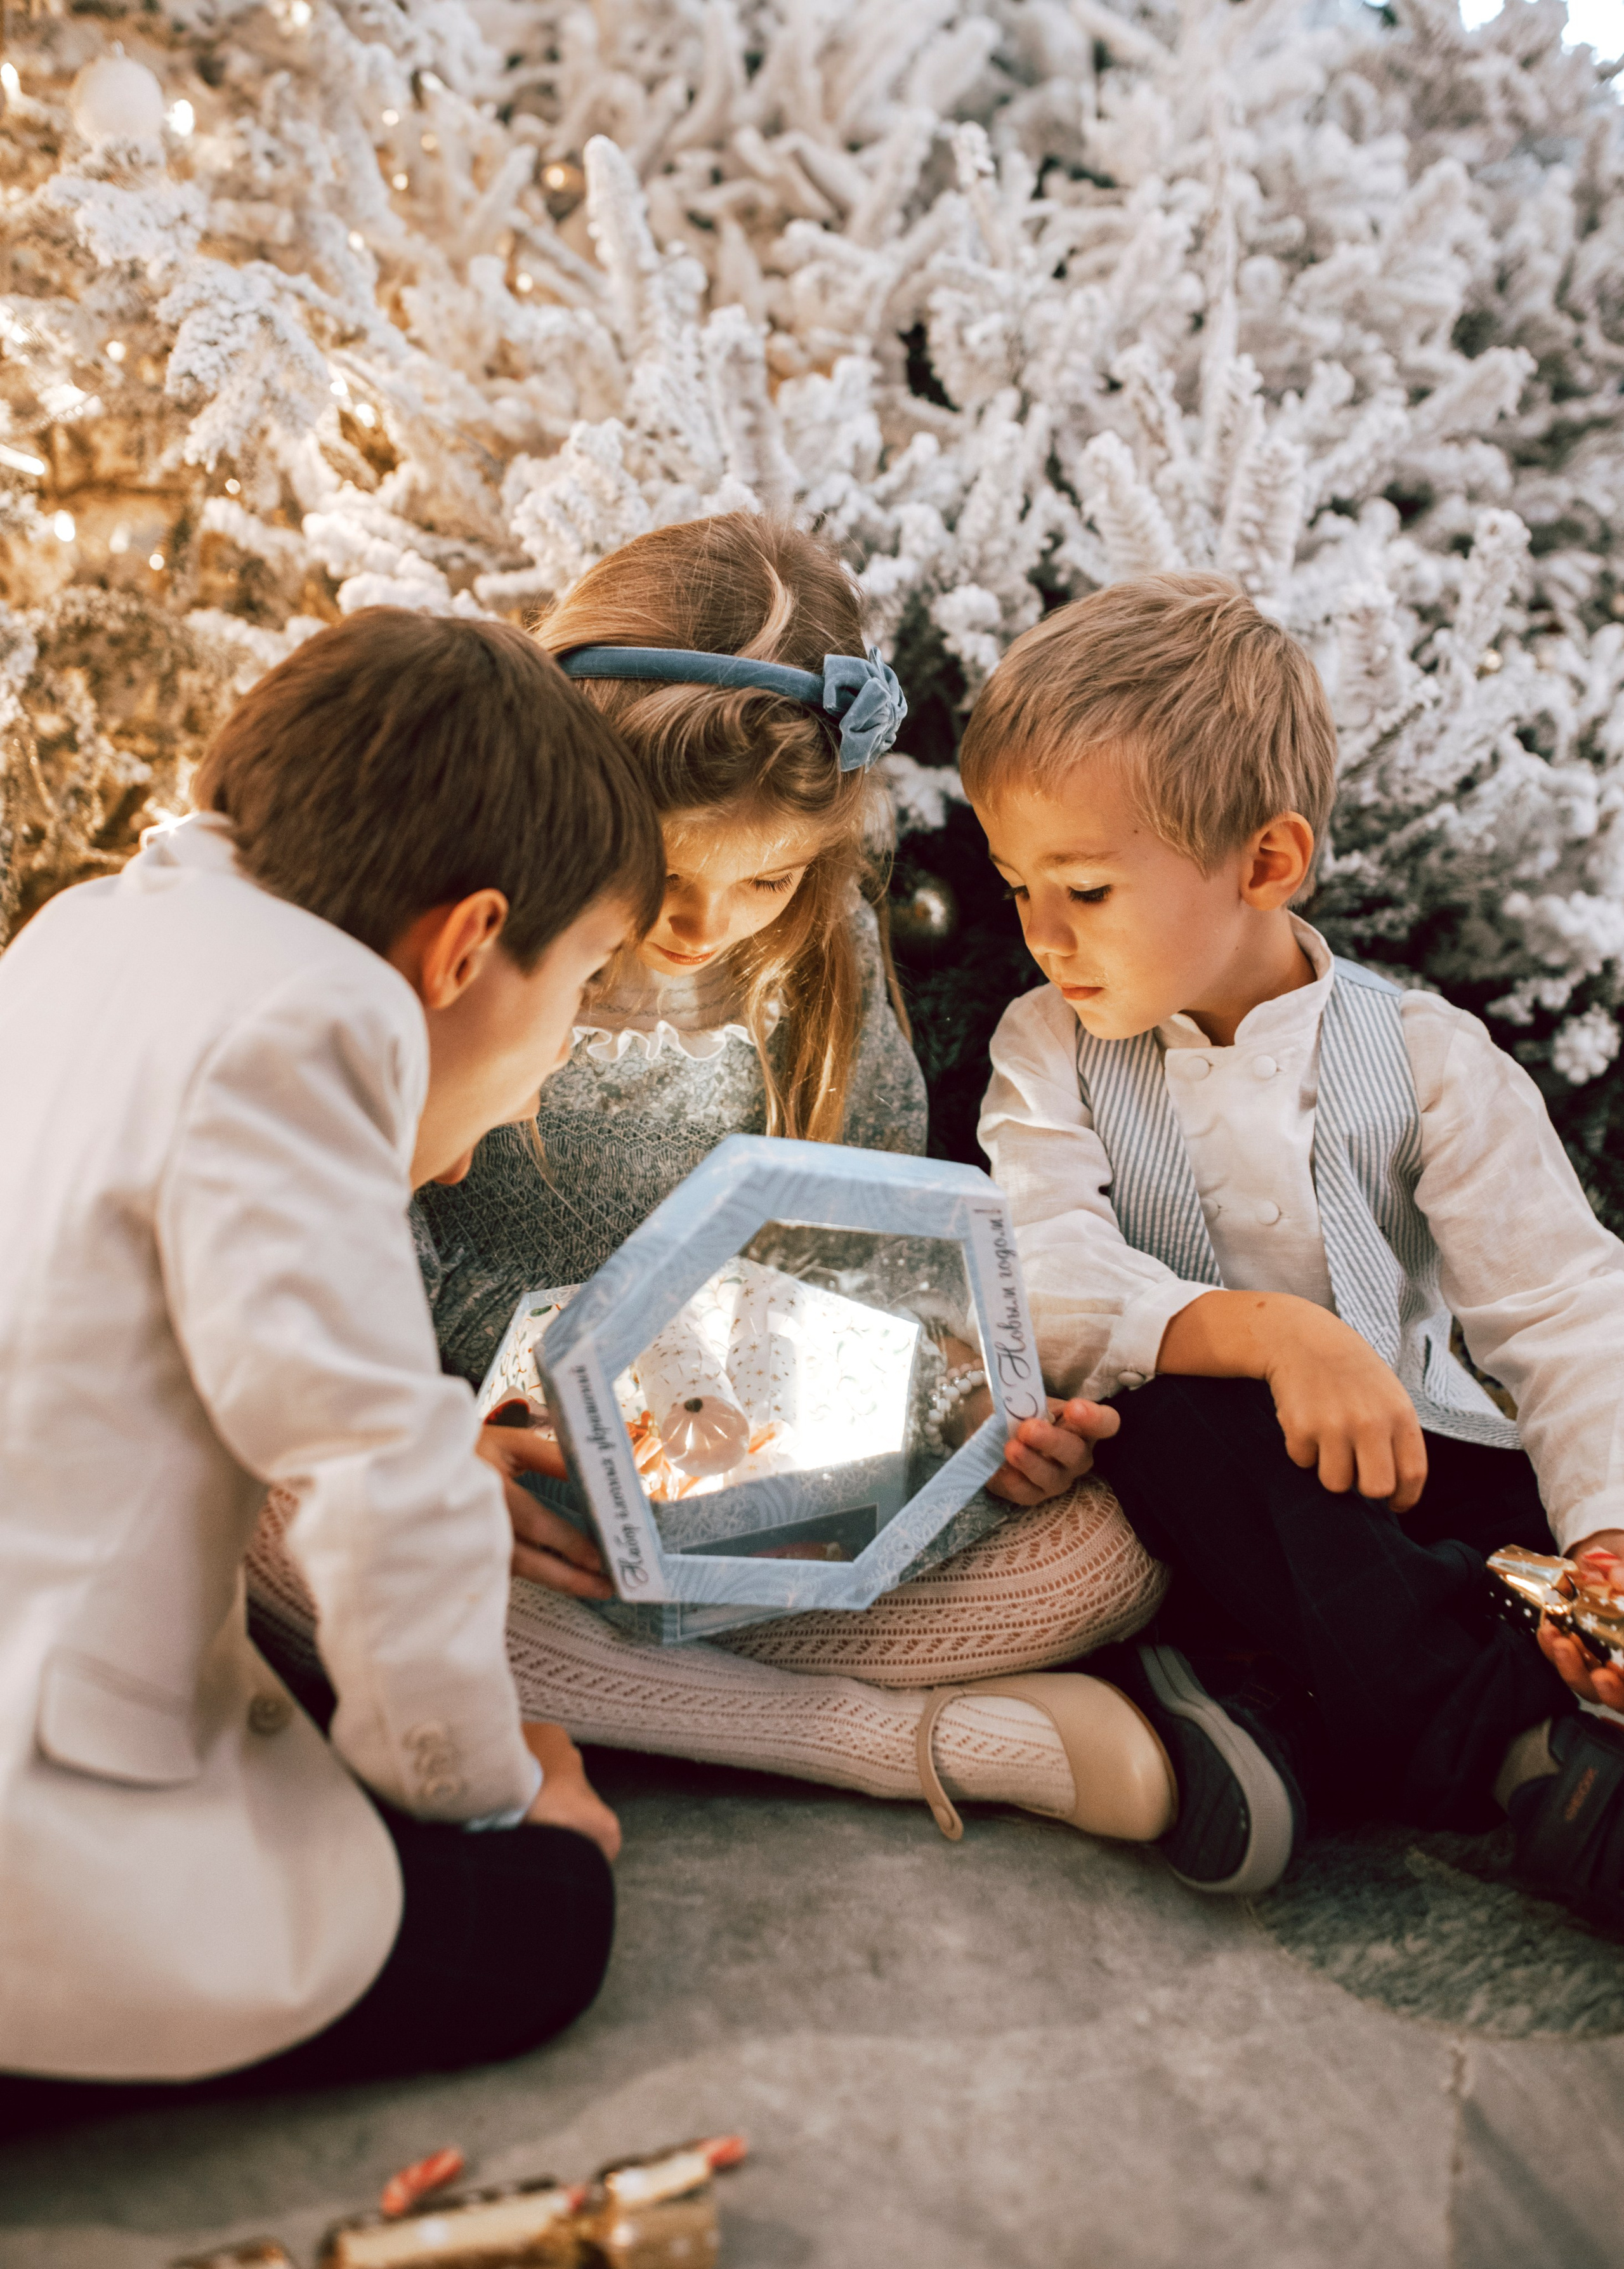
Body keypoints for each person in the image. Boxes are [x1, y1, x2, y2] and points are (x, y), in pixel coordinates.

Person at [249, 518, 1184, 1859]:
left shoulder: (822, 956)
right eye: (670, 870)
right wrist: (526, 1387)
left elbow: (868, 1245)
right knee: (271, 1509)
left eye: (768, 876)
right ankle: (872, 1741)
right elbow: (350, 1258)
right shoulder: (460, 942)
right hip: (477, 1462)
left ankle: (629, 1690)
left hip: (725, 1498)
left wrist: (957, 1409)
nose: (704, 923)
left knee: (1102, 1558)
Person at [0, 608, 662, 2124]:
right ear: (469, 944)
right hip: (31, 1796)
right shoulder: (318, 1020)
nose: (555, 1062)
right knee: (546, 1925)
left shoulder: (91, 933)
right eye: (584, 989)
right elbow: (377, 1473)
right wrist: (493, 1797)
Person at [963, 569, 1624, 1921]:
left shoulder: (1423, 1058)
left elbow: (1562, 1311)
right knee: (1182, 1434)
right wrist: (1276, 1339)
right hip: (1213, 1480)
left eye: (1083, 889)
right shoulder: (1051, 1050)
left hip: (1418, 1467)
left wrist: (1608, 1536)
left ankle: (1277, 1718)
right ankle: (1513, 1745)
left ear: (1263, 864)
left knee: (1505, 1497)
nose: (1038, 936)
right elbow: (1042, 1273)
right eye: (1015, 885)